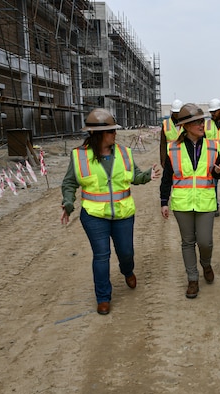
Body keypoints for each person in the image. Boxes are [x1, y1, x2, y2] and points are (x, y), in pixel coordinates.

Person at [60, 108, 160, 315]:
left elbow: (135, 176)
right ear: (97, 134)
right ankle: (103, 297)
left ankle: (127, 270)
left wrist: (148, 175)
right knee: (101, 255)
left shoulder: (124, 153)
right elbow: (70, 182)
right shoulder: (79, 156)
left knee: (126, 252)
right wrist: (68, 203)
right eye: (111, 131)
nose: (115, 134)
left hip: (123, 213)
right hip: (94, 215)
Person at [160, 103, 220, 299]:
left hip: (205, 201)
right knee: (187, 242)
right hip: (182, 203)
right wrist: (164, 200)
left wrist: (218, 172)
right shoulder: (174, 149)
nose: (201, 125)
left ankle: (206, 263)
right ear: (186, 126)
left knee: (205, 241)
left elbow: (219, 172)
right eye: (196, 122)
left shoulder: (213, 146)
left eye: (201, 121)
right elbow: (167, 177)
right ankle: (193, 279)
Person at [159, 99, 183, 164]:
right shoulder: (166, 123)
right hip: (170, 158)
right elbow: (163, 144)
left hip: (184, 157)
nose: (177, 115)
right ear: (172, 112)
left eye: (178, 113)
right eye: (175, 113)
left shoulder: (186, 123)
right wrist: (163, 160)